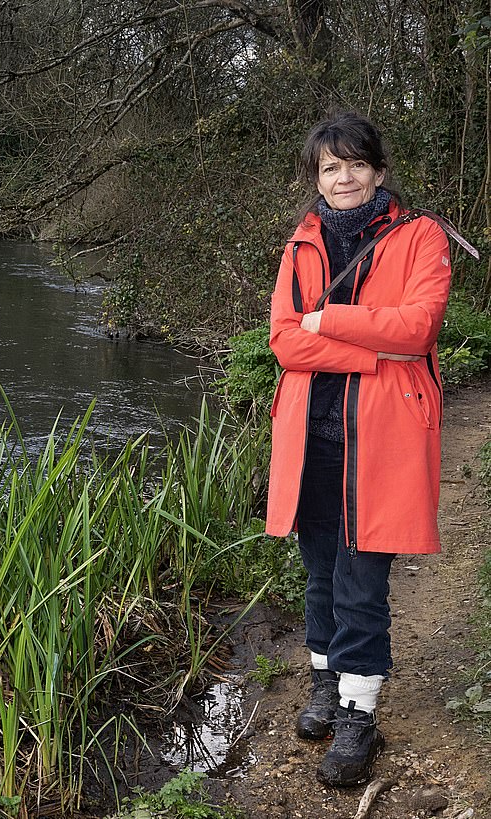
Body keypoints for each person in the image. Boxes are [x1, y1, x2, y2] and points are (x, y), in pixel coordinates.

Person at [265, 111, 452, 787]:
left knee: (361, 581)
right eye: (328, 167)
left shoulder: (419, 234)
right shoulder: (303, 241)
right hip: (310, 438)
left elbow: (419, 326)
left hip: (383, 440)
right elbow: (285, 340)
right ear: (317, 176)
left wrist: (331, 321)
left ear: (377, 170)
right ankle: (326, 680)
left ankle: (358, 715)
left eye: (354, 165)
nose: (342, 178)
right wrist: (372, 349)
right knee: (319, 572)